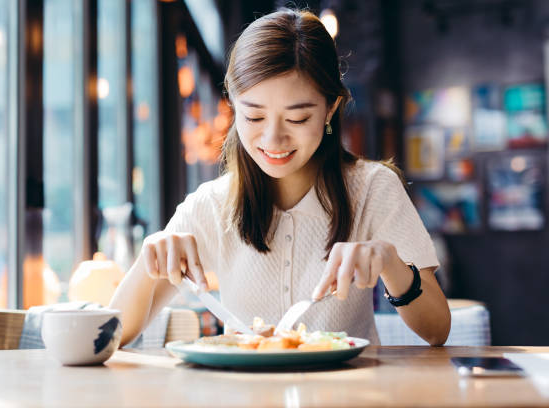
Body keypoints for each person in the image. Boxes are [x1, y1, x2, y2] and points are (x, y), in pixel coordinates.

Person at [110, 8, 451, 346]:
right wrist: (147, 259)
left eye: (298, 119)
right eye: (254, 117)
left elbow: (436, 330)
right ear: (232, 105)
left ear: (331, 108)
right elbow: (114, 334)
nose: (273, 140)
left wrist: (391, 264)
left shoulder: (373, 188)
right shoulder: (210, 206)